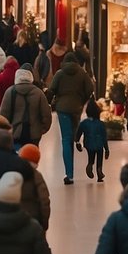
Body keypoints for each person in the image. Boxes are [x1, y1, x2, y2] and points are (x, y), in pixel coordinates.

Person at [46, 54, 95, 185]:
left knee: (66, 140)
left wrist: (51, 103)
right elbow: (90, 89)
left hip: (63, 109)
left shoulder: (60, 73)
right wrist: (82, 100)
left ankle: (69, 174)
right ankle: (77, 141)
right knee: (72, 137)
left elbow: (51, 90)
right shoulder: (82, 73)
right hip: (76, 109)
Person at [0, 68, 51, 154]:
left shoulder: (10, 92)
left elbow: (3, 115)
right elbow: (46, 115)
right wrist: (42, 130)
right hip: (34, 135)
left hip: (15, 133)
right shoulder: (39, 93)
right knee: (31, 160)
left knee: (16, 159)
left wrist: (6, 131)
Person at [16, 145, 51, 231]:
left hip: (15, 217)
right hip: (33, 218)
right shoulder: (36, 176)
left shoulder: (12, 172)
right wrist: (44, 223)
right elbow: (44, 200)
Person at [76, 97, 111, 182]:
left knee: (91, 156)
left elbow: (78, 133)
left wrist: (77, 142)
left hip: (88, 144)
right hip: (99, 144)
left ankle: (90, 164)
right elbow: (104, 137)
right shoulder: (101, 124)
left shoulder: (84, 123)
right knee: (99, 157)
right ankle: (99, 171)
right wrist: (106, 149)